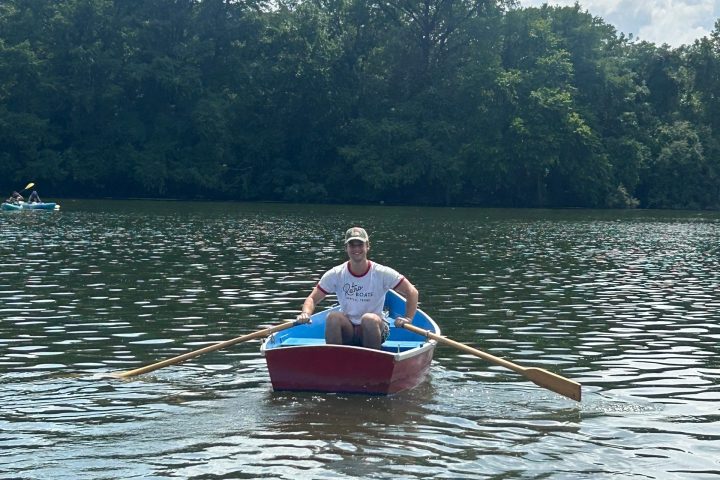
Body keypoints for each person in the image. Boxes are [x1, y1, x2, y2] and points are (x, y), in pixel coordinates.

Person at [295, 227, 419, 349]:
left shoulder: (382, 272)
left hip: (374, 328)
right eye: (352, 245)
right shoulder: (336, 273)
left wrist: (408, 318)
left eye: (360, 244)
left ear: (367, 246)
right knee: (332, 317)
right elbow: (312, 298)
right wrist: (305, 313)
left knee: (368, 319)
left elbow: (412, 292)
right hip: (348, 330)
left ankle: (374, 360)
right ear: (346, 248)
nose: (356, 249)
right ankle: (334, 360)